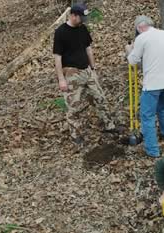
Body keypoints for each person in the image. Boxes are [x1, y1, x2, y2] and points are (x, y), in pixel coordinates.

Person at [53, 4, 117, 144]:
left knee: (100, 98)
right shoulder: (60, 32)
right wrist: (61, 79)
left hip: (87, 71)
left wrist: (93, 68)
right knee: (73, 107)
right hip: (71, 74)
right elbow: (57, 57)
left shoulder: (82, 29)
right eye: (81, 17)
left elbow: (88, 48)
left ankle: (109, 126)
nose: (83, 20)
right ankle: (75, 134)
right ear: (73, 15)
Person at [125, 16, 164, 158]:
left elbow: (132, 61)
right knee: (162, 108)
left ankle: (152, 150)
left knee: (147, 116)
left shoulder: (142, 38)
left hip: (153, 83)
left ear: (139, 28)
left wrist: (129, 49)